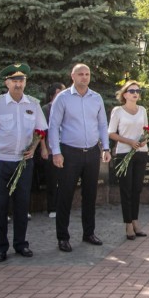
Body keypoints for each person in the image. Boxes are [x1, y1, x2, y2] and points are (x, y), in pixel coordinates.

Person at [0, 64, 47, 262]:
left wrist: (35, 148)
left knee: (21, 206)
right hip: (0, 162)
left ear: (25, 82)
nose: (18, 84)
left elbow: (41, 130)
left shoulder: (33, 104)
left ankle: (21, 244)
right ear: (6, 82)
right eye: (14, 80)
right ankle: (0, 248)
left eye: (21, 80)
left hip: (23, 163)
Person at [49, 63, 111, 252]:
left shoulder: (96, 97)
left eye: (87, 74)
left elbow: (102, 124)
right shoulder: (63, 98)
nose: (84, 77)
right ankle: (63, 237)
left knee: (90, 195)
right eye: (80, 74)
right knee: (65, 196)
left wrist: (106, 147)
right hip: (69, 153)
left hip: (92, 152)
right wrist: (56, 152)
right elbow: (53, 126)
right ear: (72, 76)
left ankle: (88, 233)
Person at [108, 80, 148, 240]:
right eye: (132, 91)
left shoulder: (142, 110)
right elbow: (111, 133)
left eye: (138, 91)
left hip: (141, 152)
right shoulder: (118, 111)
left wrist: (144, 140)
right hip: (124, 152)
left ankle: (136, 220)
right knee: (126, 189)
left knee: (137, 188)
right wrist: (129, 142)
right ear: (125, 94)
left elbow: (146, 130)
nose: (135, 93)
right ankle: (128, 224)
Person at [40, 83, 65, 218]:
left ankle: (62, 206)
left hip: (66, 149)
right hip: (51, 150)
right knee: (52, 180)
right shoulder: (46, 108)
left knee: (64, 180)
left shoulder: (67, 106)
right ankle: (52, 208)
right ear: (51, 95)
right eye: (58, 92)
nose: (61, 94)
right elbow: (41, 131)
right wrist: (43, 148)